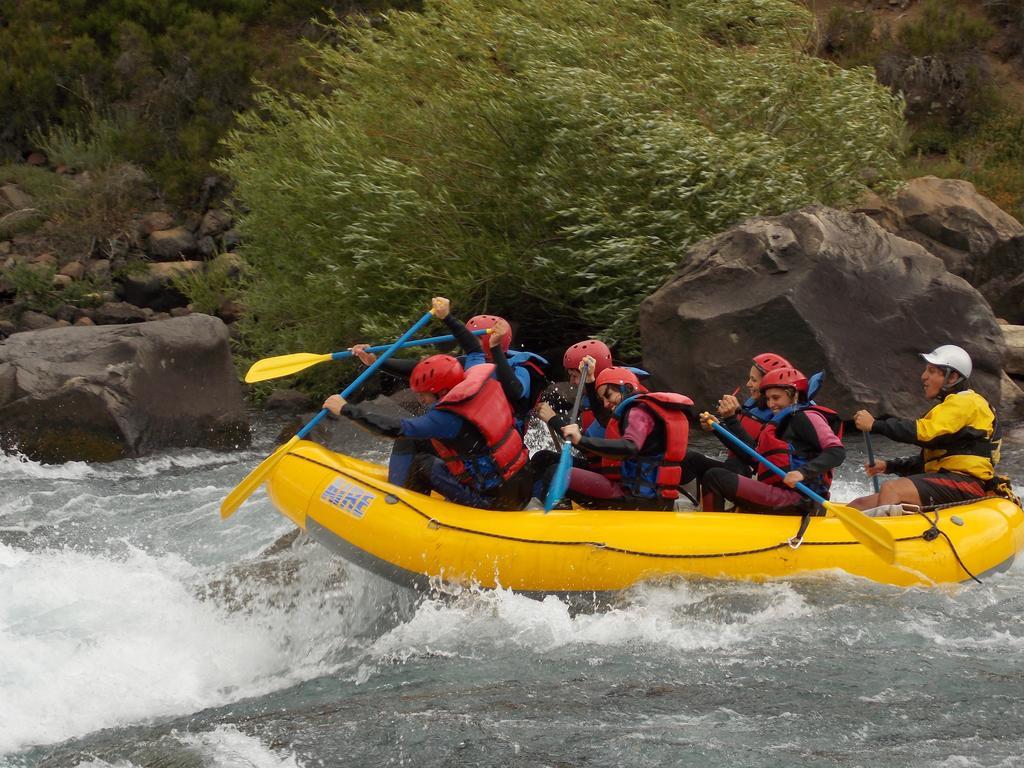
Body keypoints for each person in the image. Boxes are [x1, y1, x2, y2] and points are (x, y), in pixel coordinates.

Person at [323, 354, 533, 510]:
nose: (420, 400)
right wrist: (447, 317)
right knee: (415, 442)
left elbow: (393, 428)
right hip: (520, 486)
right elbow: (473, 348)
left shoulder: (444, 419)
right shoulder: (478, 386)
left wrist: (345, 409)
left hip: (493, 501)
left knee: (422, 463)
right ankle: (397, 490)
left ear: (442, 392)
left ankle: (398, 506)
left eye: (424, 395)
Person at [849, 344, 1002, 510]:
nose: (924, 376)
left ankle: (882, 534)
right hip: (948, 480)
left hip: (966, 484)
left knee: (892, 489)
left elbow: (924, 433)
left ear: (952, 377)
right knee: (859, 505)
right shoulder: (953, 409)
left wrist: (875, 425)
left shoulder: (965, 403)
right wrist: (889, 466)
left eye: (931, 371)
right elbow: (929, 461)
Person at [700, 367, 845, 515]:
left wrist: (803, 473)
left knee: (715, 478)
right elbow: (755, 458)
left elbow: (836, 451)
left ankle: (711, 529)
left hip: (802, 500)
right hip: (782, 494)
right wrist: (718, 428)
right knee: (715, 471)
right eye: (768, 399)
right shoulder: (782, 423)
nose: (770, 404)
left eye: (776, 398)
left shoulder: (807, 417)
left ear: (794, 395)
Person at [553, 367, 693, 510]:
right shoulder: (645, 409)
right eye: (603, 400)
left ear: (627, 388)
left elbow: (630, 447)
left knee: (560, 473)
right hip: (658, 499)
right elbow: (603, 418)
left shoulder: (637, 412)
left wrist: (581, 440)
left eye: (608, 395)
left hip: (638, 499)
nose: (606, 404)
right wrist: (590, 381)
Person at [681, 352, 794, 487]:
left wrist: (731, 419)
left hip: (760, 480)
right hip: (739, 470)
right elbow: (739, 441)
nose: (748, 384)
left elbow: (755, 458)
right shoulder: (753, 404)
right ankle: (661, 499)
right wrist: (717, 426)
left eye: (753, 380)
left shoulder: (784, 418)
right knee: (691, 459)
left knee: (730, 467)